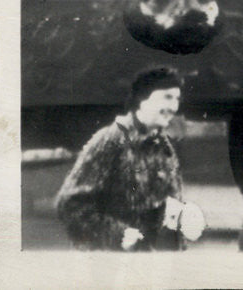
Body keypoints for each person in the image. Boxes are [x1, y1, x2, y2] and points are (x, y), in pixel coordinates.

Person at [56, 66, 205, 250]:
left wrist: (183, 216)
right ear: (142, 100)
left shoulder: (164, 146)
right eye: (167, 97)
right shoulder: (111, 140)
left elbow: (164, 208)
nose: (174, 107)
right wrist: (117, 235)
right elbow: (70, 205)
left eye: (177, 99)